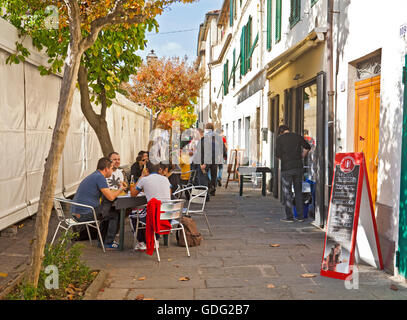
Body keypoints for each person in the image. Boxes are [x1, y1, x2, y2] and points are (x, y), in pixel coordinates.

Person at [71, 157, 125, 250]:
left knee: (106, 212)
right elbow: (111, 197)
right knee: (113, 214)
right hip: (84, 214)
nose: (112, 171)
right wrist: (120, 189)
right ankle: (108, 243)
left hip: (78, 212)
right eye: (112, 169)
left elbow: (108, 194)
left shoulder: (95, 175)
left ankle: (103, 241)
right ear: (106, 169)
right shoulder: (100, 177)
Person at [129, 161, 172, 251]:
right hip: (168, 216)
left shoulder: (144, 179)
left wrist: (141, 176)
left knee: (133, 215)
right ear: (159, 170)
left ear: (147, 170)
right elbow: (169, 194)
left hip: (155, 216)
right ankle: (155, 239)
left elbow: (133, 194)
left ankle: (141, 242)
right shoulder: (165, 179)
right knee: (148, 211)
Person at [275, 125, 311, 223]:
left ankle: (289, 217)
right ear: (288, 130)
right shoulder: (297, 136)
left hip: (286, 168)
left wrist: (285, 159)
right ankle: (300, 216)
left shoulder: (280, 139)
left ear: (281, 132)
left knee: (287, 192)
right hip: (298, 167)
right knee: (298, 191)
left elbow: (278, 155)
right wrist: (302, 156)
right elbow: (307, 147)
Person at [193, 123, 224, 196]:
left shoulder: (205, 138)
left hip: (207, 159)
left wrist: (202, 162)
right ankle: (213, 189)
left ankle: (210, 187)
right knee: (214, 175)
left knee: (204, 173)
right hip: (215, 158)